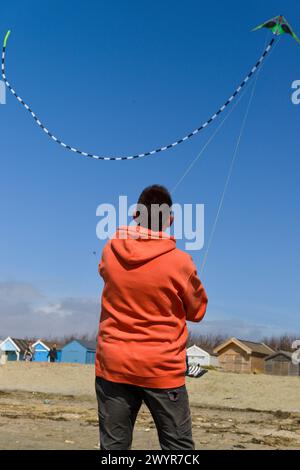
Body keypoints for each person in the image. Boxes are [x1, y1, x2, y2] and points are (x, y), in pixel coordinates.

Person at [95, 185, 208, 450]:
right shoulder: (180, 262)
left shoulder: (110, 250)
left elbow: (105, 272)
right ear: (170, 220)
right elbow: (197, 311)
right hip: (162, 367)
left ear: (135, 215)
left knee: (114, 449)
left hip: (114, 363)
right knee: (178, 449)